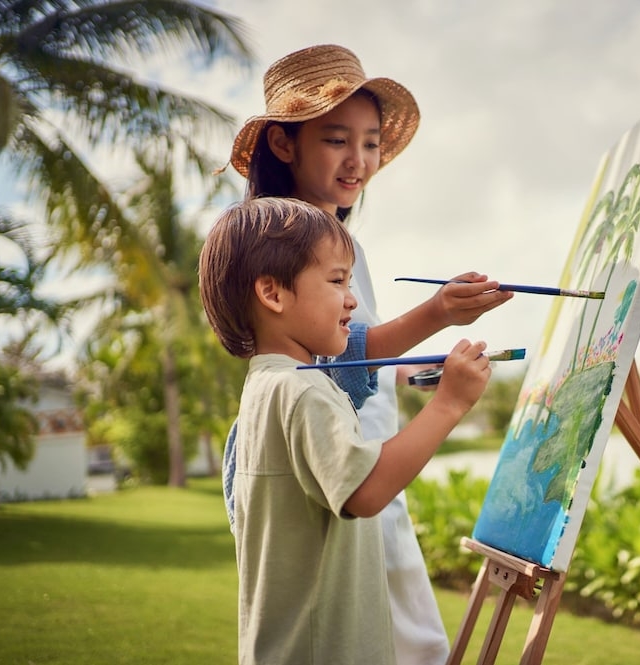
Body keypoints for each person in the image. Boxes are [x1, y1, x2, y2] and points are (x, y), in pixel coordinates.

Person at [220, 44, 513, 664]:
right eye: (335, 140)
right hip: (349, 466)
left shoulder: (329, 239)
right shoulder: (289, 240)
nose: (358, 161)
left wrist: (405, 367)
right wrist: (437, 313)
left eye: (371, 142)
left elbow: (352, 351)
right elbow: (348, 352)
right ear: (284, 145)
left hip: (360, 458)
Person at [199, 196, 492, 665]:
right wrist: (450, 403)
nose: (353, 299)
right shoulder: (302, 392)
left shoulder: (265, 385)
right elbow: (365, 491)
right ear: (273, 294)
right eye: (337, 281)